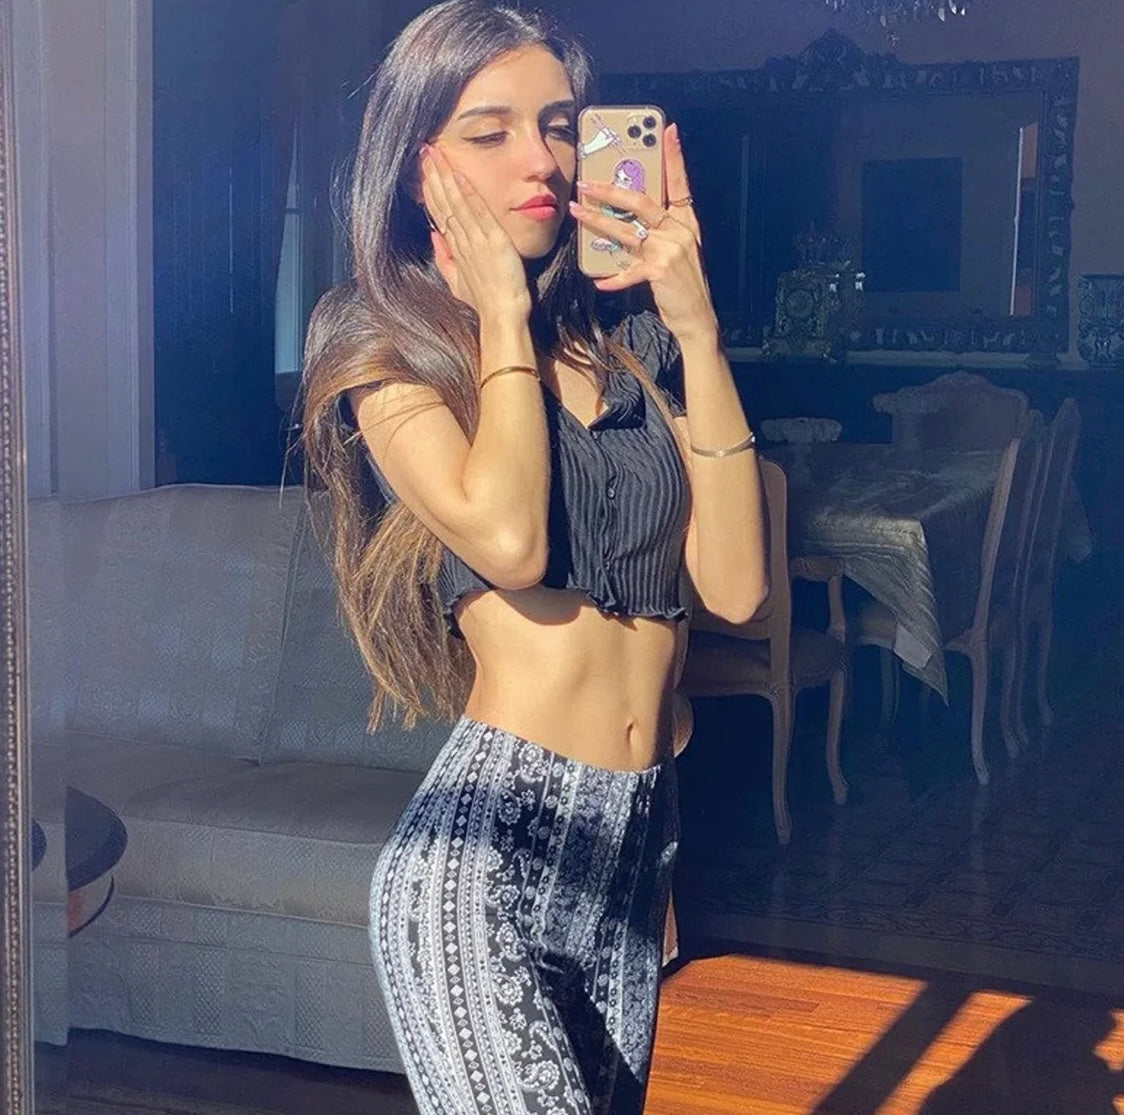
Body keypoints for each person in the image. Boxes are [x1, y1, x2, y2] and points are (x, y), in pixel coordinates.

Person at [299, 2, 767, 1111]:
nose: (543, 159)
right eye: (491, 129)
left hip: (632, 849)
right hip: (486, 863)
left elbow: (737, 586)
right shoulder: (385, 348)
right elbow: (508, 541)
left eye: (559, 125)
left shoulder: (628, 344)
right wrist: (502, 319)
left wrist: (695, 327)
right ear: (420, 166)